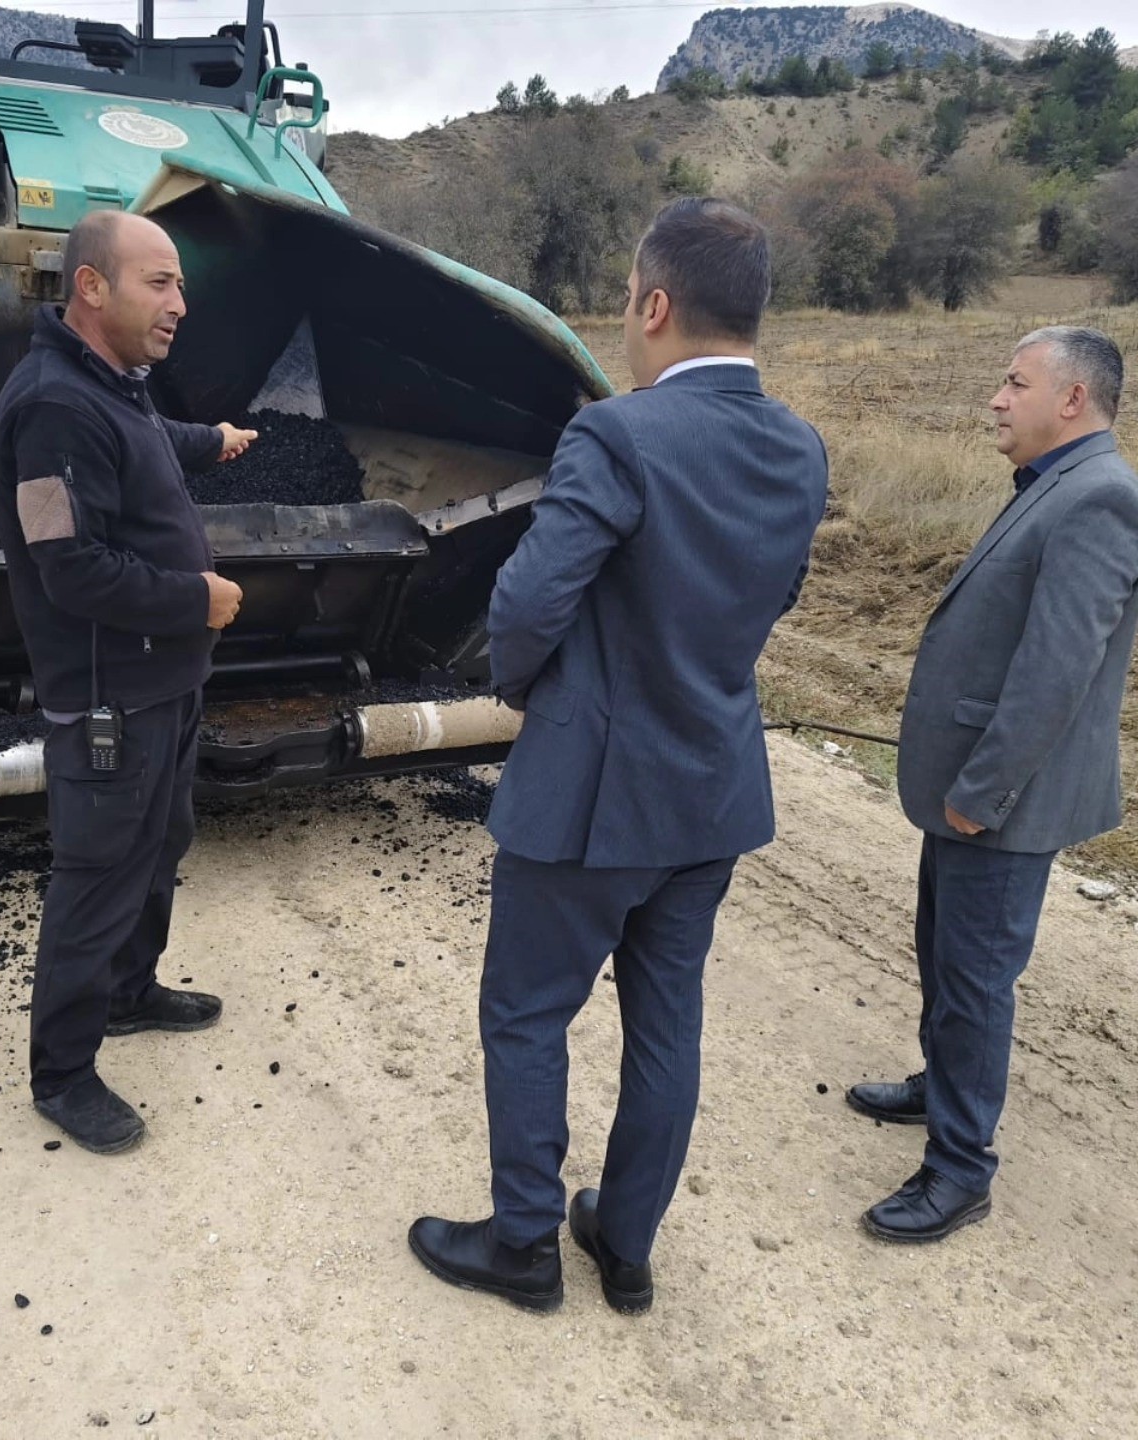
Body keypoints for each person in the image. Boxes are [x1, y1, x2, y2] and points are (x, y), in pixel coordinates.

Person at [408, 198, 829, 1314]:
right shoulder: (802, 446)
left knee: (526, 1012)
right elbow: (773, 597)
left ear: (653, 304)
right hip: (716, 788)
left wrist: (536, 693)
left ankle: (523, 1246)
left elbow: (532, 604)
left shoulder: (618, 431)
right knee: (668, 1020)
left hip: (593, 797)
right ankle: (626, 1245)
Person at [848, 326, 1138, 1242]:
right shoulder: (1056, 484)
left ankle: (960, 1169)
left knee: (975, 980)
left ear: (1073, 399)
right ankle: (942, 1088)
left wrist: (984, 791)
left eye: (1015, 383)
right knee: (945, 953)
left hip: (1003, 802)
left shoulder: (1100, 499)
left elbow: (1057, 674)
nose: (995, 399)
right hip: (968, 788)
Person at [0, 210, 256, 1154]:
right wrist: (197, 599)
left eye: (179, 283)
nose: (179, 302)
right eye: (159, 282)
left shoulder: (112, 385)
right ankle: (61, 1072)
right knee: (98, 875)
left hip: (164, 688)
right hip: (109, 696)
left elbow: (140, 444)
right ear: (91, 288)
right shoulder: (51, 409)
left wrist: (209, 438)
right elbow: (72, 569)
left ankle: (130, 992)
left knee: (162, 840)